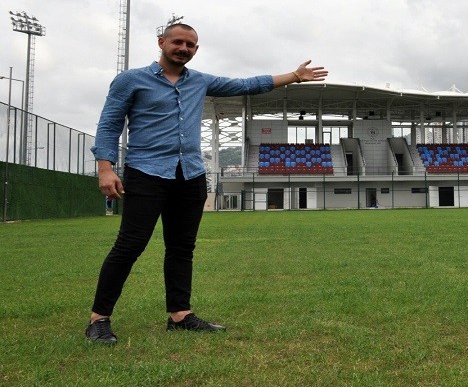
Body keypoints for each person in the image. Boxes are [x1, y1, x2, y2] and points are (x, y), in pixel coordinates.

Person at [85, 23, 327, 344]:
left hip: (190, 175)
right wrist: (105, 167)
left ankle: (180, 315)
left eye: (190, 44)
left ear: (195, 50)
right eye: (177, 42)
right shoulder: (131, 80)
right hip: (146, 173)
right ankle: (99, 319)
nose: (183, 48)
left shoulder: (199, 81)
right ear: (162, 43)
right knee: (130, 246)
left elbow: (246, 84)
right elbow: (110, 123)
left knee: (182, 248)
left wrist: (293, 76)